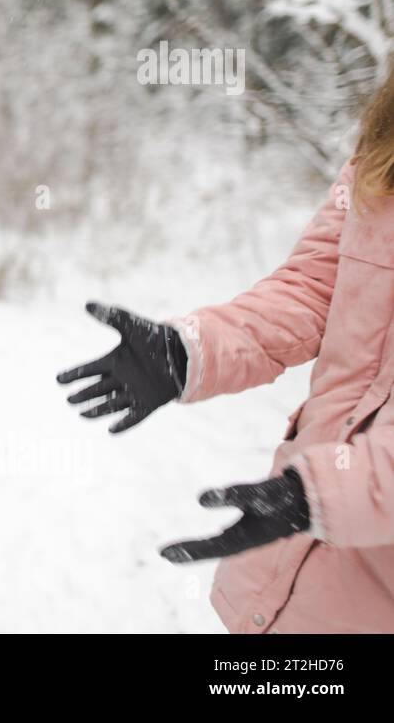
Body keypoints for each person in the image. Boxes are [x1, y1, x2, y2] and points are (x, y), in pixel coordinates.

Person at [56, 74, 394, 632]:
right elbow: (313, 288)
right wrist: (191, 351)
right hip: (303, 559)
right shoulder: (382, 153)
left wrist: (324, 494)